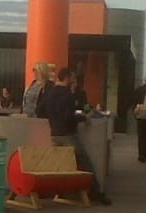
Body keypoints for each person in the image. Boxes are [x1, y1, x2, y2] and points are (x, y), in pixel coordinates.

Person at [42, 66, 111, 205]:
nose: (73, 82)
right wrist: (84, 117)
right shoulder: (68, 95)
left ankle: (47, 191)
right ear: (67, 78)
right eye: (72, 79)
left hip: (54, 133)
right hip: (67, 134)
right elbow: (68, 116)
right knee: (84, 163)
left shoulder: (49, 93)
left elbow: (40, 110)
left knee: (57, 164)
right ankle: (96, 193)